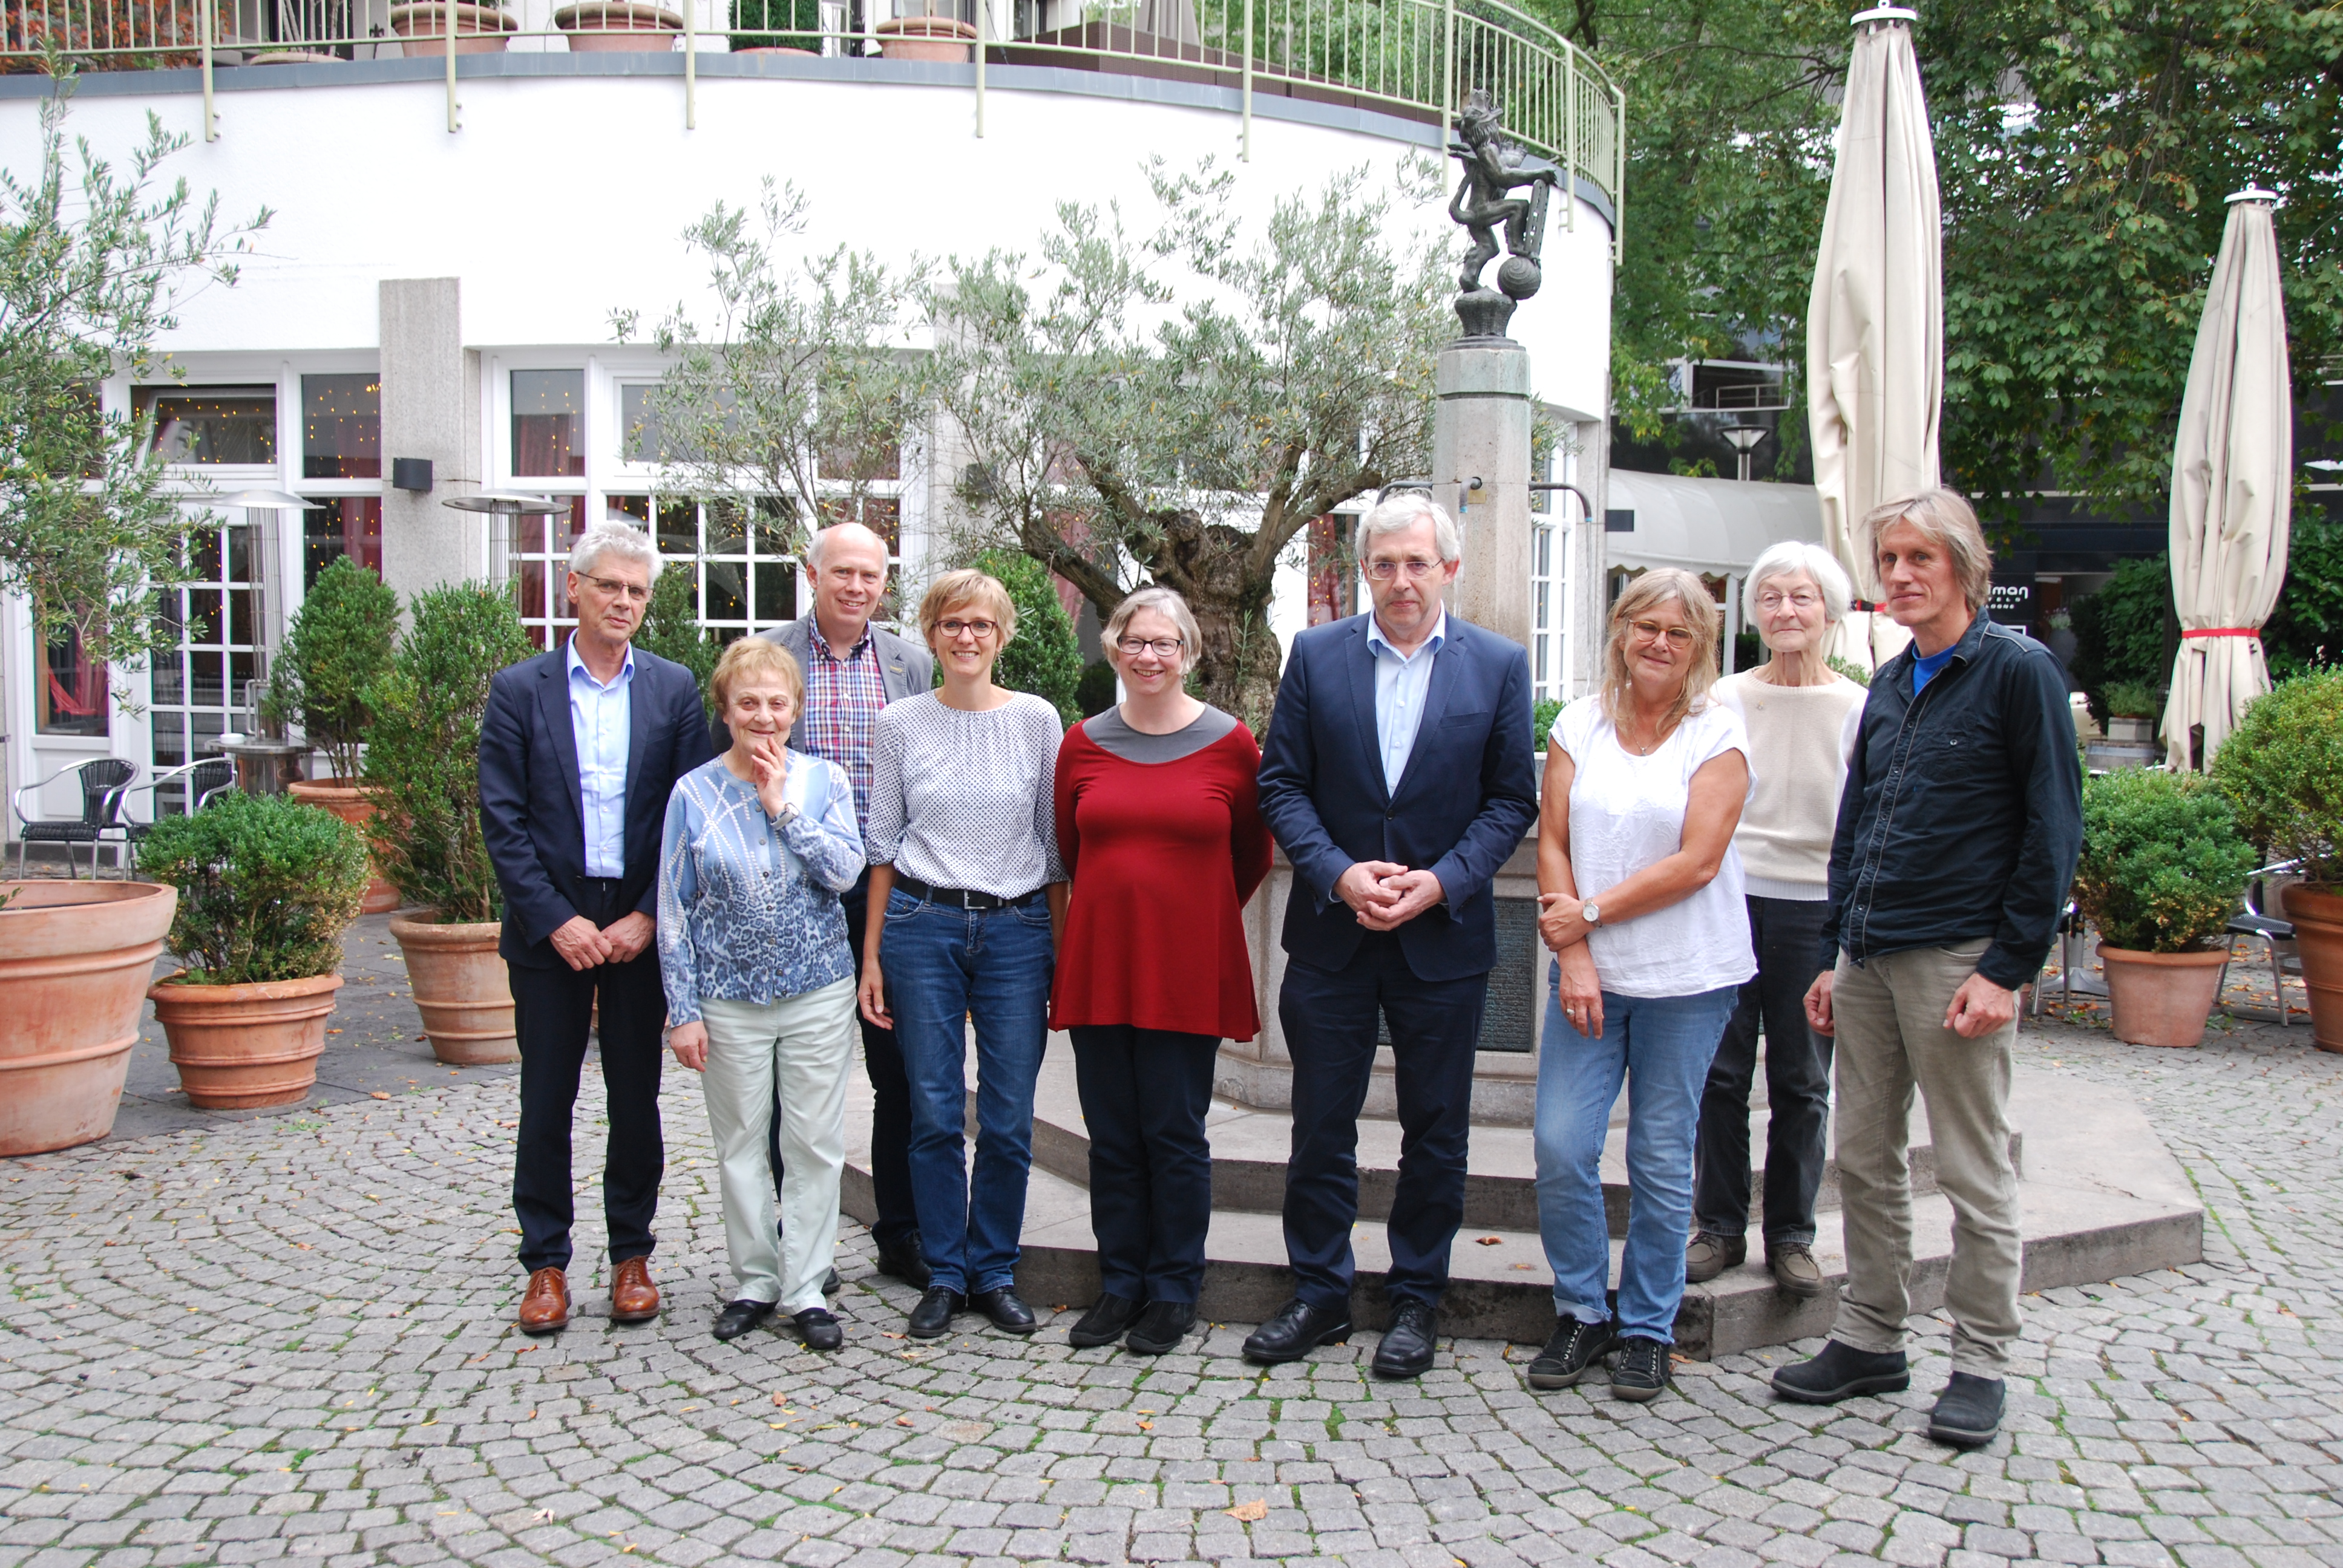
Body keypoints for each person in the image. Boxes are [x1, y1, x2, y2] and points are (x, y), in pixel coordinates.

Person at [1773, 489, 2080, 1449]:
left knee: (1972, 1168)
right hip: (1868, 955)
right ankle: (1871, 1337)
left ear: (1965, 568)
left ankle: (1982, 1359)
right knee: (1862, 1159)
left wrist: (2007, 967)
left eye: (1921, 560)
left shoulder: (2018, 673)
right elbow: (1855, 829)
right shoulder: (1893, 683)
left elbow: (2053, 830)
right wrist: (1832, 952)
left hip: (1958, 959)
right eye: (1890, 560)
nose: (1901, 576)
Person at [1251, 492, 1538, 1380]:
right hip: (1333, 934)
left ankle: (1417, 1297)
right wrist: (1338, 871)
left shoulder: (1497, 666)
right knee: (1321, 1123)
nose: (1402, 580)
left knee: (1437, 1129)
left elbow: (1510, 801)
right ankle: (1320, 1294)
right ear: (1363, 569)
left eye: (1418, 563)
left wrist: (1442, 882)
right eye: (1385, 564)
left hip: (1441, 938)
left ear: (1449, 569)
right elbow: (1281, 785)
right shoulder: (1317, 655)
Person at [1526, 569, 1755, 1403]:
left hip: (1689, 978)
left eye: (1680, 632)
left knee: (1661, 1158)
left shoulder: (1717, 733)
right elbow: (1551, 840)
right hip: (1594, 978)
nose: (1659, 643)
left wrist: (1587, 914)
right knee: (1560, 1145)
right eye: (1645, 626)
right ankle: (1583, 1308)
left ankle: (1649, 1328)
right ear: (1619, 629)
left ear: (1700, 648)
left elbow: (1697, 863)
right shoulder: (1581, 722)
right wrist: (1577, 952)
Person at [480, 520, 715, 1334]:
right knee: (545, 1097)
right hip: (552, 924)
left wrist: (651, 912)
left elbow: (691, 815)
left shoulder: (674, 689)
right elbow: (502, 820)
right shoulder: (520, 691)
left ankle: (631, 1257)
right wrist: (556, 921)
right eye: (609, 586)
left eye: (637, 591)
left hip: (640, 922)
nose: (622, 602)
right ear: (573, 588)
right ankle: (545, 1263)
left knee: (636, 1098)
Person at [1052, 586, 1273, 1356]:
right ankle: (1120, 1285)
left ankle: (1173, 1289)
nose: (1149, 656)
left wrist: (1188, 913)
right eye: (1134, 642)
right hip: (1102, 961)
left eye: (1164, 643)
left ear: (1188, 653)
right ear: (1113, 649)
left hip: (1187, 964)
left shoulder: (1230, 743)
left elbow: (1250, 854)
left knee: (1174, 1132)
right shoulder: (1080, 742)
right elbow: (1071, 850)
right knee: (1111, 1134)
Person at [860, 569, 1066, 1340]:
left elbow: (1053, 850)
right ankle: (946, 1273)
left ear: (1001, 633)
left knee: (1010, 1117)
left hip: (1017, 933)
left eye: (980, 624)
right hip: (922, 926)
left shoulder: (1037, 721)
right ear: (931, 633)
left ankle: (995, 1269)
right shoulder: (901, 722)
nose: (966, 637)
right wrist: (873, 955)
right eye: (951, 624)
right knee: (935, 1112)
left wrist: (1061, 952)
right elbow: (881, 844)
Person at [659, 638, 865, 1350]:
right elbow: (672, 908)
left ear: (795, 710)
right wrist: (682, 1011)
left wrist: (780, 808)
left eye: (778, 703)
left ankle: (807, 1287)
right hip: (727, 998)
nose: (764, 715)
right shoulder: (693, 793)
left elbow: (845, 873)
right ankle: (754, 1278)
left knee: (812, 1142)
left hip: (816, 991)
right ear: (725, 709)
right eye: (748, 702)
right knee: (740, 1144)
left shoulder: (825, 781)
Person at [747, 521, 936, 1291]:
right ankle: (798, 1243)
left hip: (887, 893)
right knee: (792, 1078)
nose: (856, 588)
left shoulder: (910, 664)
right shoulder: (769, 657)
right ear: (811, 573)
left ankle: (901, 1233)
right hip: (791, 897)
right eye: (842, 573)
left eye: (871, 576)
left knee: (900, 1074)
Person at [1689, 543, 1867, 1298]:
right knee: (1719, 1073)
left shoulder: (1860, 705)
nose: (1785, 612)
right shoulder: (1724, 696)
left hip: (1814, 909)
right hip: (1728, 896)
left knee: (1801, 1079)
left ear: (1829, 611)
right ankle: (1718, 1228)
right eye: (1770, 598)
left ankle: (1791, 1234)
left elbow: (1866, 819)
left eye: (1800, 599)